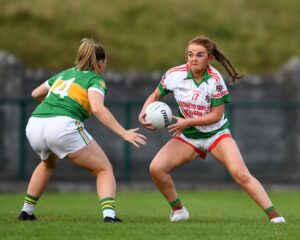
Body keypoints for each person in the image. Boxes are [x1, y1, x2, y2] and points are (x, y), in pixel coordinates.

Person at [138, 35, 286, 224]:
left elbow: (216, 115)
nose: (193, 59)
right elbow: (156, 94)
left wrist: (186, 122)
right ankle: (179, 210)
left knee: (240, 174)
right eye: (190, 54)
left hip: (216, 134)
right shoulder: (174, 74)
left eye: (199, 55)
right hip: (189, 137)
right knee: (156, 169)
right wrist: (143, 112)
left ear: (209, 58)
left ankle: (275, 217)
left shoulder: (215, 80)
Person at [18, 38, 146, 223]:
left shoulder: (64, 74)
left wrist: (53, 108)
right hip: (62, 126)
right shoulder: (95, 79)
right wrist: (123, 132)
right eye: (104, 63)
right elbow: (97, 108)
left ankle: (26, 211)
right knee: (104, 169)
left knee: (47, 164)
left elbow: (35, 93)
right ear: (100, 62)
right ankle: (109, 216)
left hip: (36, 123)